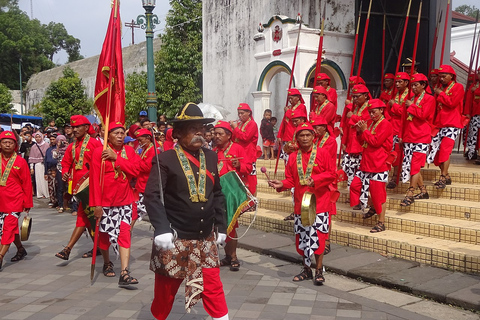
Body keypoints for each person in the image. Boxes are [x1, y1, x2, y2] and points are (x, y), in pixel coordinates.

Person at [145, 103, 229, 320]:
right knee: (165, 293)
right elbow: (152, 196)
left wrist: (221, 223)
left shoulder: (210, 157)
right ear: (178, 133)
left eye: (202, 127)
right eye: (193, 128)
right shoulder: (165, 159)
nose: (200, 132)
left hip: (205, 238)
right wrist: (161, 228)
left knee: (214, 288)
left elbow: (217, 193)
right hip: (175, 237)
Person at [268, 122, 336, 285]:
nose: (305, 138)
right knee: (303, 239)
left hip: (320, 203)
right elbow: (291, 179)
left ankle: (319, 270)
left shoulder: (323, 153)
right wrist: (282, 184)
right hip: (301, 204)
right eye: (301, 135)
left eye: (308, 135)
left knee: (319, 238)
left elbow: (332, 174)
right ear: (297, 138)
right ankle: (306, 269)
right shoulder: (292, 157)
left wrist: (316, 180)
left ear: (313, 137)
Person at [90, 121, 140, 286]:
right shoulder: (99, 152)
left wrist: (116, 158)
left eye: (122, 133)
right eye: (116, 133)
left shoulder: (129, 151)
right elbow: (95, 181)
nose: (120, 136)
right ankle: (106, 262)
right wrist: (97, 205)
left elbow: (136, 170)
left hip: (125, 201)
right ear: (108, 135)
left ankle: (124, 272)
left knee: (125, 235)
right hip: (105, 203)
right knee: (104, 237)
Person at [55, 115, 102, 260]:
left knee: (84, 217)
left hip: (91, 189)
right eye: (72, 127)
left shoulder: (95, 144)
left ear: (86, 128)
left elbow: (102, 164)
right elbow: (66, 163)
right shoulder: (71, 146)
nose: (74, 130)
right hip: (78, 189)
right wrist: (65, 173)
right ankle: (98, 247)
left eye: (77, 127)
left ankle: (68, 249)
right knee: (89, 219)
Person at [213, 120, 252, 272]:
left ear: (228, 135)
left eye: (220, 134)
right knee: (219, 225)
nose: (216, 137)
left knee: (231, 225)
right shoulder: (214, 151)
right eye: (215, 134)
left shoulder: (238, 148)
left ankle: (233, 256)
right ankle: (227, 256)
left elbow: (249, 167)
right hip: (217, 193)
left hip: (232, 193)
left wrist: (238, 165)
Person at [349, 99, 393, 233]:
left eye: (374, 111)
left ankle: (381, 222)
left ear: (381, 110)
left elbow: (375, 142)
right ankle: (372, 206)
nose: (371, 114)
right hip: (367, 162)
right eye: (370, 112)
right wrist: (359, 131)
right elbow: (364, 141)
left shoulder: (385, 124)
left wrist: (365, 131)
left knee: (378, 194)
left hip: (378, 163)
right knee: (355, 185)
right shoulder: (372, 123)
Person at [400, 74, 435, 206]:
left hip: (421, 137)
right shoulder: (411, 99)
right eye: (412, 85)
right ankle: (423, 190)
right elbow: (404, 119)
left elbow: (423, 115)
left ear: (424, 85)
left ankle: (410, 193)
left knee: (415, 166)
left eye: (416, 85)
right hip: (409, 136)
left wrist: (412, 106)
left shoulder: (429, 99)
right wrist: (401, 136)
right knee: (411, 166)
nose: (413, 88)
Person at [427, 65, 465, 188]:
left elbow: (452, 103)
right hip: (439, 124)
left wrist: (441, 94)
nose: (441, 79)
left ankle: (442, 177)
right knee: (435, 152)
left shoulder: (458, 87)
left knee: (445, 150)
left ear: (452, 76)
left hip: (452, 124)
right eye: (440, 77)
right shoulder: (439, 88)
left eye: (444, 76)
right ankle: (446, 175)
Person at [0, 131, 33, 269]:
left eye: (10, 142)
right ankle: (20, 249)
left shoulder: (20, 161)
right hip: (1, 200)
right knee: (9, 228)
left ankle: (1, 256)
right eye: (4, 142)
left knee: (8, 227)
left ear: (15, 145)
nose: (7, 144)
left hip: (15, 200)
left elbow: (27, 182)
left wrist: (28, 202)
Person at [340, 84, 371, 187]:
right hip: (351, 144)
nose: (355, 99)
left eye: (358, 96)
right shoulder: (355, 107)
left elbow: (365, 122)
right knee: (350, 171)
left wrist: (353, 116)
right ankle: (352, 195)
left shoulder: (369, 108)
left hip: (361, 144)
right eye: (354, 96)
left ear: (366, 96)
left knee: (360, 171)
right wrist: (344, 142)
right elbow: (348, 127)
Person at [386, 72, 411, 189]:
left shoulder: (409, 95)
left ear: (406, 83)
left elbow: (404, 112)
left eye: (400, 82)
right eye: (396, 81)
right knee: (391, 152)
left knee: (399, 153)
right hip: (392, 127)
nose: (397, 84)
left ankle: (396, 176)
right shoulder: (394, 94)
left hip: (402, 127)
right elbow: (387, 110)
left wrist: (394, 106)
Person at [230, 103, 258, 195]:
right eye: (239, 113)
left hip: (249, 154)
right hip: (239, 154)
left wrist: (235, 128)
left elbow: (246, 137)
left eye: (242, 113)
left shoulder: (252, 124)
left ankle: (252, 197)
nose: (240, 115)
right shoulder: (239, 124)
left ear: (249, 113)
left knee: (250, 177)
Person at [278, 89, 308, 160]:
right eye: (289, 98)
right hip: (286, 136)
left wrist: (287, 112)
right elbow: (283, 122)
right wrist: (280, 135)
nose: (290, 100)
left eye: (291, 98)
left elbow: (295, 116)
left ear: (297, 97)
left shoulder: (301, 107)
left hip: (295, 136)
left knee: (294, 158)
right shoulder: (288, 108)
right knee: (286, 158)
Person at [133, 128, 156, 222]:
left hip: (147, 185)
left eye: (140, 140)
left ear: (148, 138)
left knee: (138, 211)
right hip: (141, 184)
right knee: (136, 211)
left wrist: (136, 159)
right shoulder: (145, 149)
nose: (139, 143)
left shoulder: (153, 150)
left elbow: (147, 167)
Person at [28, 132, 49, 199]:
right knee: (39, 180)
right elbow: (31, 157)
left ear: (42, 137)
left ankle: (46, 193)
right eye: (36, 137)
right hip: (37, 165)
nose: (38, 138)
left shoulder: (47, 145)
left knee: (45, 180)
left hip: (45, 165)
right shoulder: (34, 147)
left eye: (39, 137)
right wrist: (31, 168)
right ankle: (40, 193)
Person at [465, 67, 480, 160]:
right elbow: (468, 101)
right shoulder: (474, 85)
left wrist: (477, 91)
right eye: (479, 72)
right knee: (473, 134)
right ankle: (472, 153)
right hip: (475, 114)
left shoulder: (475, 88)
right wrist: (467, 112)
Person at [53, 135, 68, 213]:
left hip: (68, 170)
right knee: (60, 188)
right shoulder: (56, 150)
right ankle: (61, 205)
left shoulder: (68, 149)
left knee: (69, 188)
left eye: (62, 141)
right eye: (59, 141)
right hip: (60, 169)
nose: (61, 142)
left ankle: (68, 205)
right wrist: (58, 147)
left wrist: (67, 146)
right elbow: (54, 156)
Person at [44, 135, 58, 208]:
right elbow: (45, 161)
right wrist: (45, 172)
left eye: (53, 139)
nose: (52, 141)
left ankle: (58, 201)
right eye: (51, 139)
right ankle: (52, 201)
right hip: (49, 169)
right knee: (50, 186)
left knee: (57, 186)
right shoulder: (48, 150)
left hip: (57, 169)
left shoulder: (58, 149)